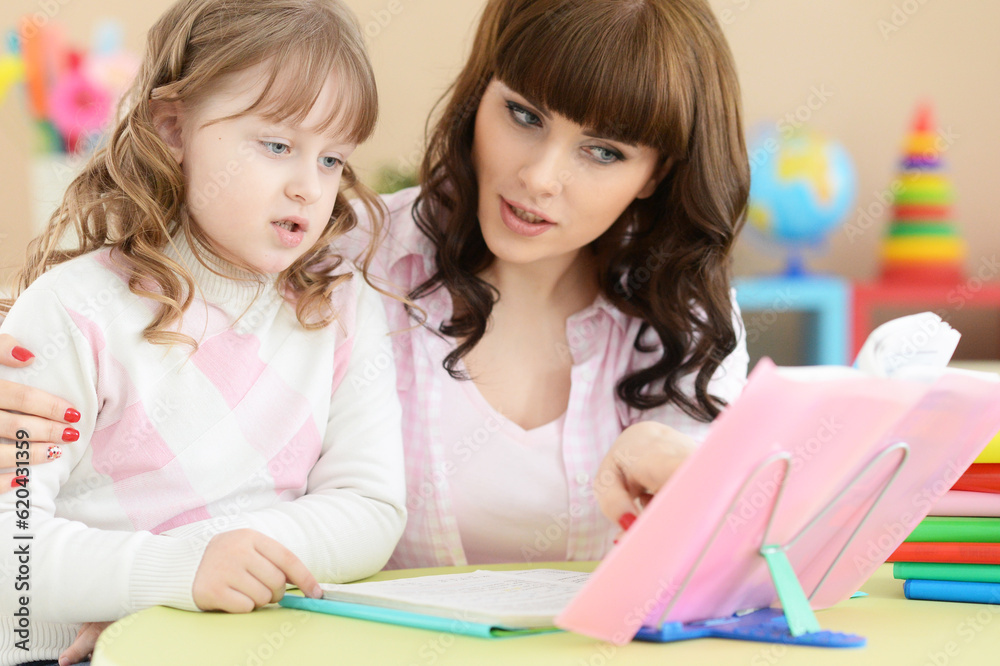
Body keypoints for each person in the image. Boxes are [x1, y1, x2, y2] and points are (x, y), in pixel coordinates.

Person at [2, 0, 747, 575]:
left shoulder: (685, 318)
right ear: (477, 96)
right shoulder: (347, 250)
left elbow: (725, 555)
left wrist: (703, 486)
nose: (539, 177)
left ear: (657, 175)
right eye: (521, 115)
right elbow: (131, 281)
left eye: (604, 151)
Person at [0, 1, 406, 664]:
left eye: (332, 159)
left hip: (253, 645)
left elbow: (371, 510)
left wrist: (219, 567)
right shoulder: (71, 313)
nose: (309, 186)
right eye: (277, 145)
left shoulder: (340, 304)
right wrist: (177, 574)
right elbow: (11, 551)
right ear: (174, 129)